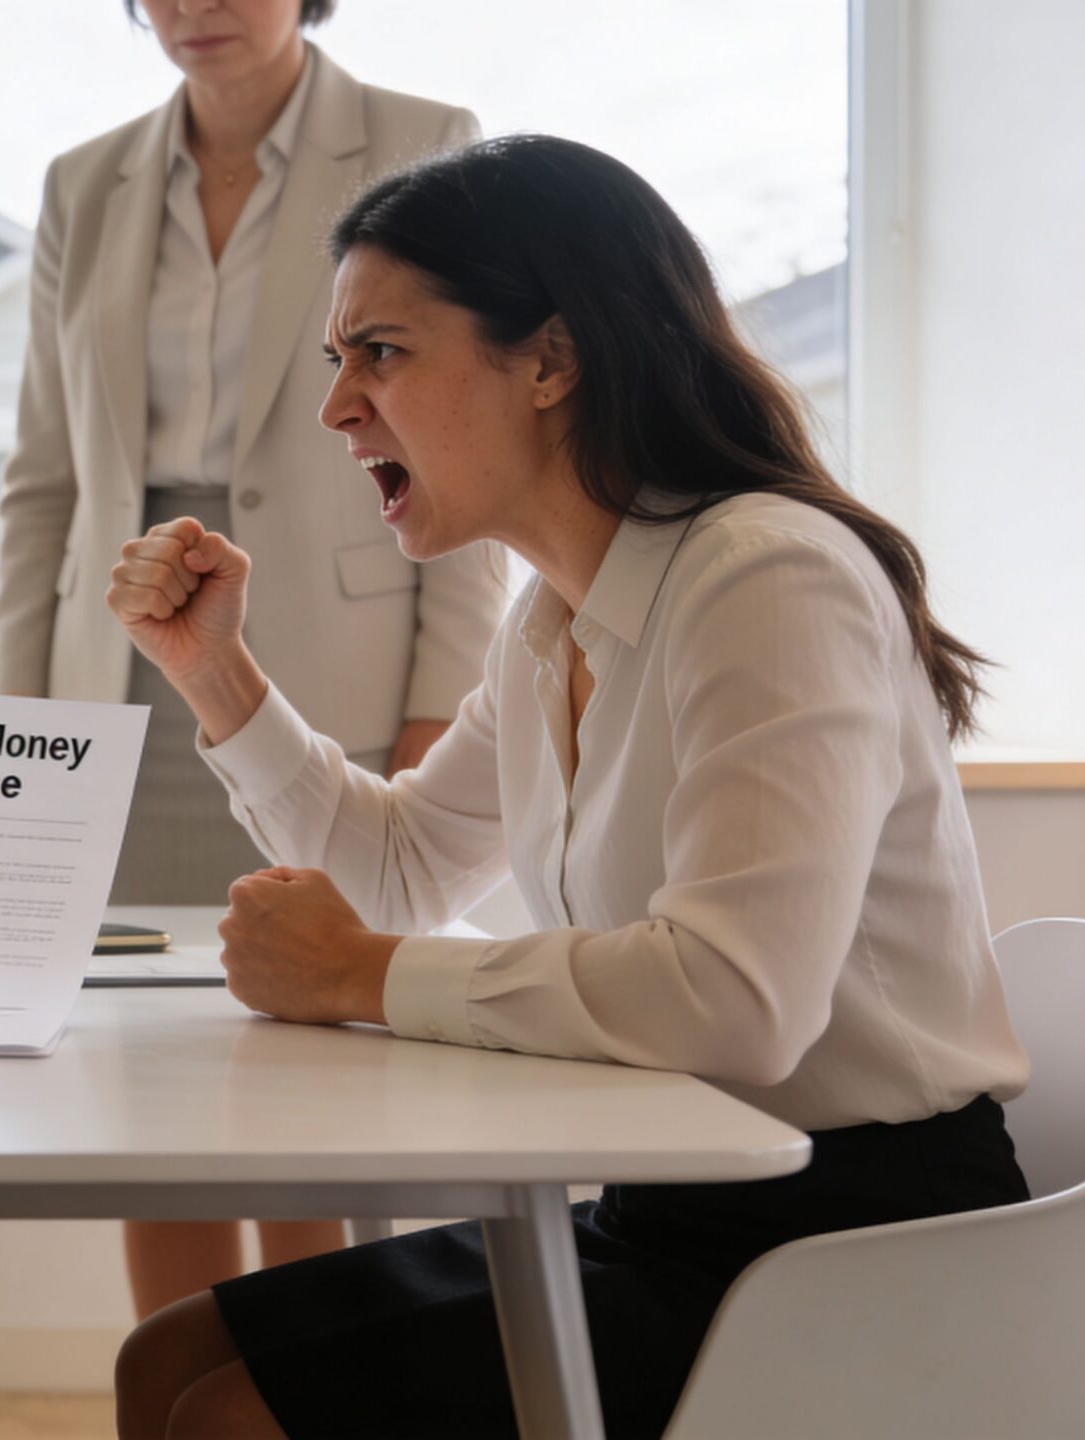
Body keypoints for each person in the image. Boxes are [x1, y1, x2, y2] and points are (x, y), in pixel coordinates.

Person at [104, 133, 1032, 1440]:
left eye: (382, 352)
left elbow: (735, 1001)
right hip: (667, 1206)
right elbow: (408, 869)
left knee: (227, 1410)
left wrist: (352, 974)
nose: (337, 408)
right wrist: (217, 677)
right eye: (338, 361)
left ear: (549, 358)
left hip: (849, 1245)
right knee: (170, 1360)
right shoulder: (557, 613)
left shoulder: (767, 577)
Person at [0, 0, 508, 1316]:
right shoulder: (84, 183)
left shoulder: (420, 142)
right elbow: (44, 478)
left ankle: (305, 1383)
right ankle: (175, 1381)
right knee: (141, 1079)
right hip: (119, 672)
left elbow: (463, 443)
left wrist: (440, 707)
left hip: (337, 662)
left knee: (312, 1067)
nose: (194, 5)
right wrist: (21, 732)